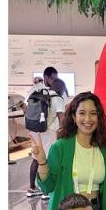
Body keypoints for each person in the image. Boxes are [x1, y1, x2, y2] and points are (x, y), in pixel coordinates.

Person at [28, 68, 69, 200]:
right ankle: (46, 191)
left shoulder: (38, 92)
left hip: (34, 129)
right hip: (48, 132)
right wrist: (64, 133)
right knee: (48, 160)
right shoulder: (57, 98)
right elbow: (62, 118)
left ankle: (32, 188)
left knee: (36, 158)